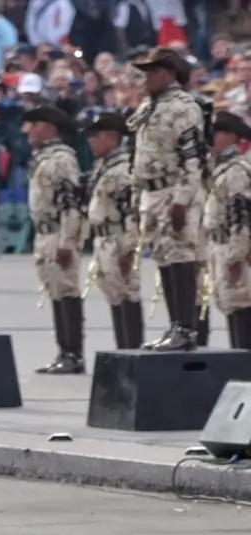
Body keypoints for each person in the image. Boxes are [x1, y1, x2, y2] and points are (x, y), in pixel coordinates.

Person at [126, 48, 207, 352]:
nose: (146, 78)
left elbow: (193, 158)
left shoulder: (183, 107)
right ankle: (175, 326)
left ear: (170, 73)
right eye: (144, 72)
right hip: (151, 192)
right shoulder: (150, 106)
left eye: (153, 71)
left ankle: (186, 328)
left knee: (181, 258)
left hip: (174, 190)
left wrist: (183, 200)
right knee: (164, 258)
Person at [24, 105, 85, 374]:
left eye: (34, 124)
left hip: (58, 233)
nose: (28, 131)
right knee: (55, 290)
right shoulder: (43, 157)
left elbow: (71, 203)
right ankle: (64, 351)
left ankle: (73, 354)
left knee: (67, 290)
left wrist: (67, 241)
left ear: (50, 127)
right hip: (44, 232)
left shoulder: (61, 159)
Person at [82, 112, 143, 349]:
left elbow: (132, 211)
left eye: (95, 136)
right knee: (115, 294)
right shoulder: (104, 167)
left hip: (118, 238)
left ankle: (132, 350)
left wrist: (129, 249)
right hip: (103, 237)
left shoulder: (123, 169)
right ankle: (123, 350)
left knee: (127, 294)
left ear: (112, 137)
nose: (91, 141)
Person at [202, 111, 251, 348]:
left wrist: (235, 256)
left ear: (231, 136)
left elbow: (240, 216)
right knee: (229, 304)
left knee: (241, 306)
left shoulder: (236, 170)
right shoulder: (219, 167)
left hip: (232, 249)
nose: (212, 139)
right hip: (217, 245)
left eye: (217, 134)